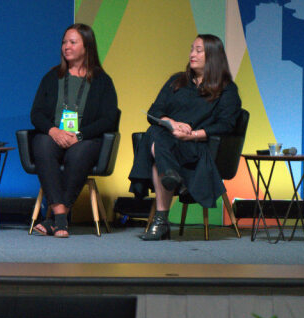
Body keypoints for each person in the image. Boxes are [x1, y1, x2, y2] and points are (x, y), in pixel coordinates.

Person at [129, 34, 242, 240]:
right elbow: (155, 112)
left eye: (199, 50)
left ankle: (162, 219)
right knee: (155, 132)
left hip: (199, 148)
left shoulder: (226, 89)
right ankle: (170, 178)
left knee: (157, 156)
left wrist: (193, 135)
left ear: (214, 56)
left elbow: (227, 125)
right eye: (192, 49)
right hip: (168, 140)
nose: (192, 54)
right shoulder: (176, 81)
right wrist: (173, 124)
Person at [28, 23, 119, 238]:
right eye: (64, 42)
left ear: (86, 47)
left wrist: (79, 135)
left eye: (72, 42)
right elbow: (36, 113)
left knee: (79, 152)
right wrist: (53, 131)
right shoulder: (52, 77)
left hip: (86, 139)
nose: (66, 47)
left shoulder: (102, 81)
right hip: (55, 136)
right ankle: (61, 218)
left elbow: (109, 119)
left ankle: (55, 219)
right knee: (41, 143)